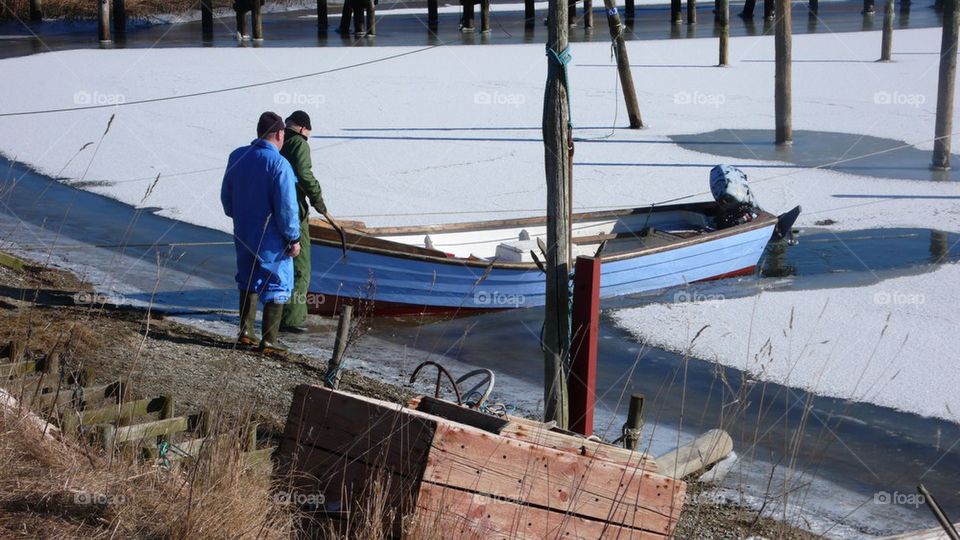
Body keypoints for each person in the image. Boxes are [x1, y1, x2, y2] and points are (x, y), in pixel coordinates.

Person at [221, 111, 301, 353]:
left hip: (243, 230)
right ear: (279, 134)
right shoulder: (279, 164)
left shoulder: (237, 156)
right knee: (277, 282)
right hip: (272, 235)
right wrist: (293, 237)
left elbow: (226, 198)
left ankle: (246, 332)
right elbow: (287, 206)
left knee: (247, 277)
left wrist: (241, 217)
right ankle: (269, 340)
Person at [278, 110, 330, 334]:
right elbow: (304, 173)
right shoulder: (299, 143)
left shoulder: (275, 140)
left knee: (278, 264)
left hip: (272, 210)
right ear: (303, 128)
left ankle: (277, 313)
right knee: (300, 267)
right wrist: (318, 199)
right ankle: (292, 319)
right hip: (293, 211)